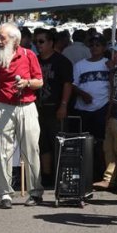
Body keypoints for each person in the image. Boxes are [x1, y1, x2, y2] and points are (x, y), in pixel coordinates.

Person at [0, 23, 44, 209]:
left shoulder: (29, 55)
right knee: (2, 151)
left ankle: (36, 192)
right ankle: (5, 194)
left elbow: (40, 81)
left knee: (31, 150)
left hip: (27, 106)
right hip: (4, 107)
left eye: (2, 38)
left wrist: (27, 83)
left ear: (15, 40)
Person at [34, 28, 73, 185]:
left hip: (55, 107)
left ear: (51, 43)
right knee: (42, 144)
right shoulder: (34, 60)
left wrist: (63, 105)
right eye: (36, 42)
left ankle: (60, 176)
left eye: (41, 41)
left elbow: (68, 84)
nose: (38, 45)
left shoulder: (62, 61)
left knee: (58, 142)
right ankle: (46, 176)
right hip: (37, 108)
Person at [72, 34, 110, 181]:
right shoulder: (80, 65)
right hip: (83, 109)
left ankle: (100, 173)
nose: (94, 48)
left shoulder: (108, 64)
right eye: (92, 45)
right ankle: (84, 172)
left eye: (98, 45)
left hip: (102, 108)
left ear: (104, 47)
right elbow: (73, 85)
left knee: (101, 143)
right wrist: (83, 94)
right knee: (84, 143)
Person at [95, 41, 117, 190]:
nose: (114, 55)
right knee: (108, 147)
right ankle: (110, 178)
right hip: (113, 112)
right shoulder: (115, 71)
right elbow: (112, 93)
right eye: (114, 52)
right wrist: (108, 113)